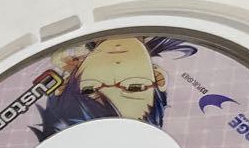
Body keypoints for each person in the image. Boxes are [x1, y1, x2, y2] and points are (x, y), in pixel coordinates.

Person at [32, 36, 197, 139]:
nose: (115, 68)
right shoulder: (180, 48)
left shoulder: (67, 52)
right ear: (157, 78)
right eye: (134, 87)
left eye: (90, 90)